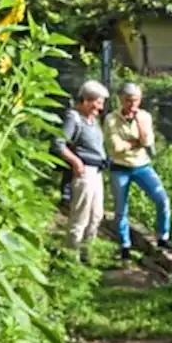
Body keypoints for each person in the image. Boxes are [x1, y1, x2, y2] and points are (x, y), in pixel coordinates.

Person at [105, 83, 172, 261]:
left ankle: (163, 237)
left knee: (162, 199)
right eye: (128, 100)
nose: (132, 105)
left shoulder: (145, 116)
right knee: (121, 209)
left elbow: (148, 141)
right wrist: (135, 143)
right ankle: (125, 246)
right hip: (120, 168)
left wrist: (139, 124)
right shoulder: (112, 119)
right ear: (121, 99)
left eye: (135, 100)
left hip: (142, 165)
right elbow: (115, 147)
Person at [53, 81, 110, 256]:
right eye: (97, 103)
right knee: (80, 217)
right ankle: (72, 256)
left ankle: (87, 253)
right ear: (85, 100)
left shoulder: (92, 120)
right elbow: (58, 143)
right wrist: (76, 162)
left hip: (96, 172)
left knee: (96, 216)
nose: (99, 108)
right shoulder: (74, 117)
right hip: (83, 172)